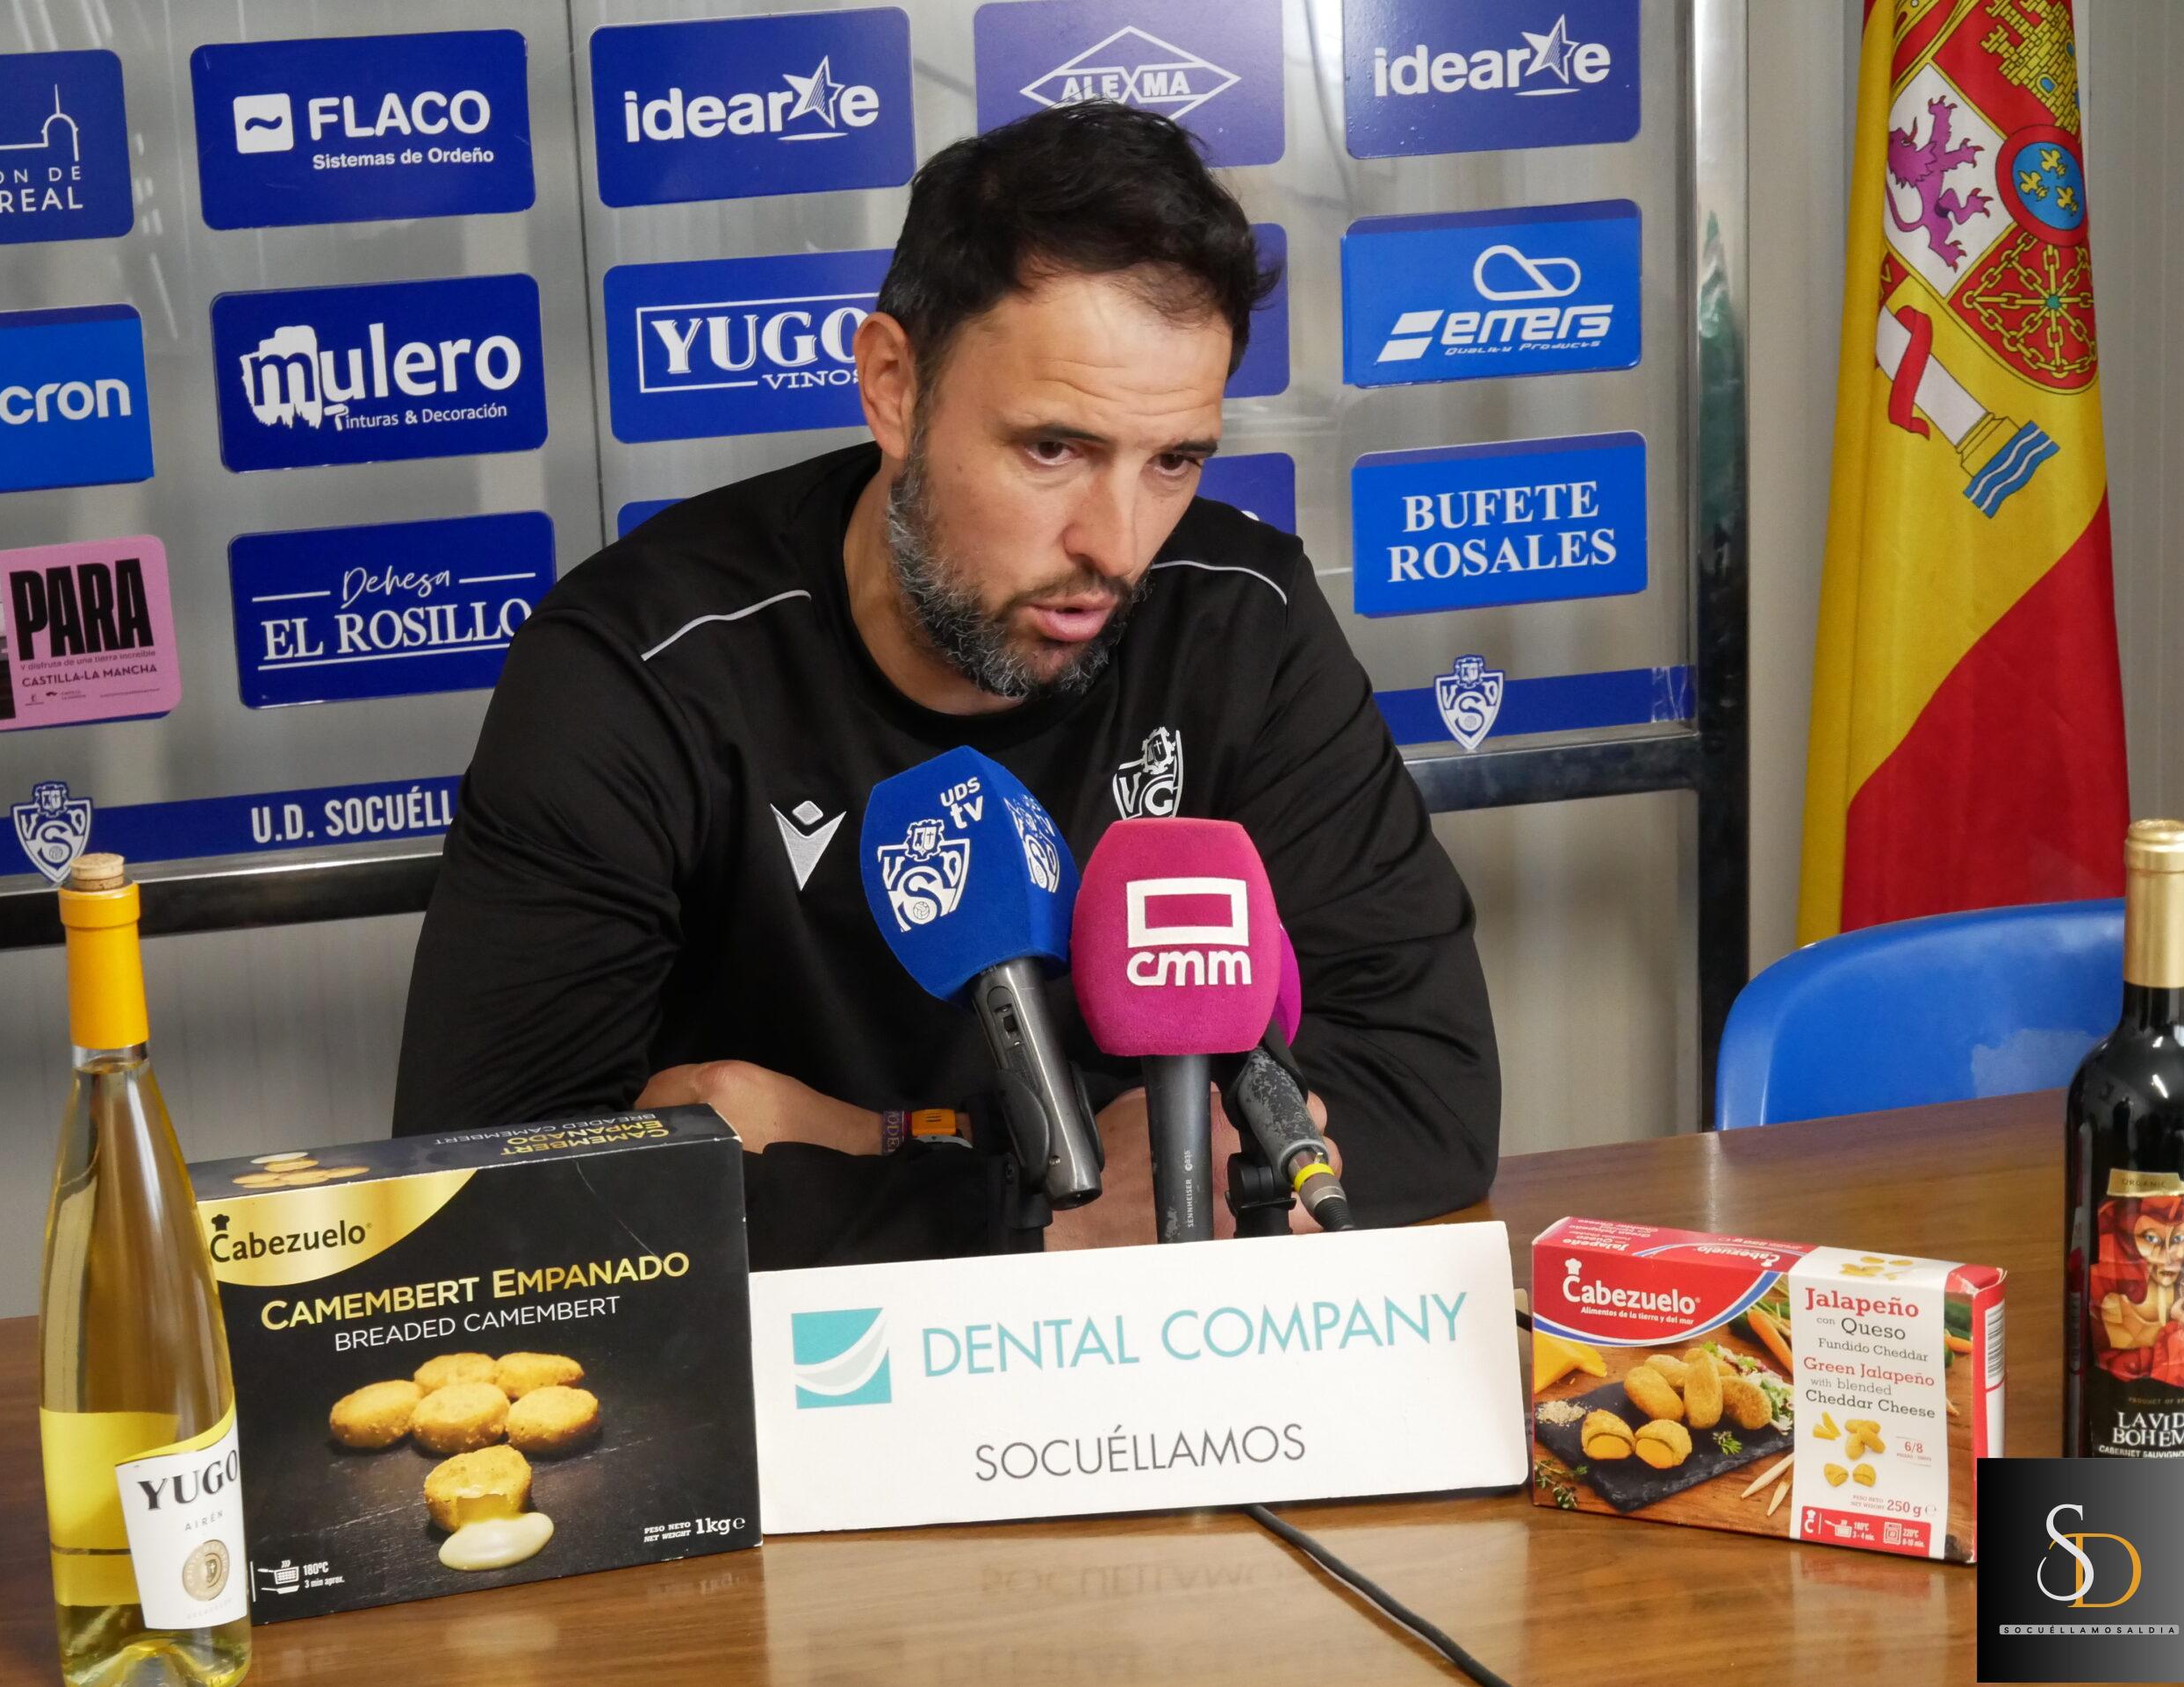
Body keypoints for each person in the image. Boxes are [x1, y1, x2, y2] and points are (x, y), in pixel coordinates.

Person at [393, 102, 1498, 1267]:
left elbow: (1428, 1089)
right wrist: (1051, 1208)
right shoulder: (638, 666)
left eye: (1173, 460)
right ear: (893, 388)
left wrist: (870, 1150)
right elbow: (488, 1196)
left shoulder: (1242, 616)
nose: (1118, 545)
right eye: (1053, 449)